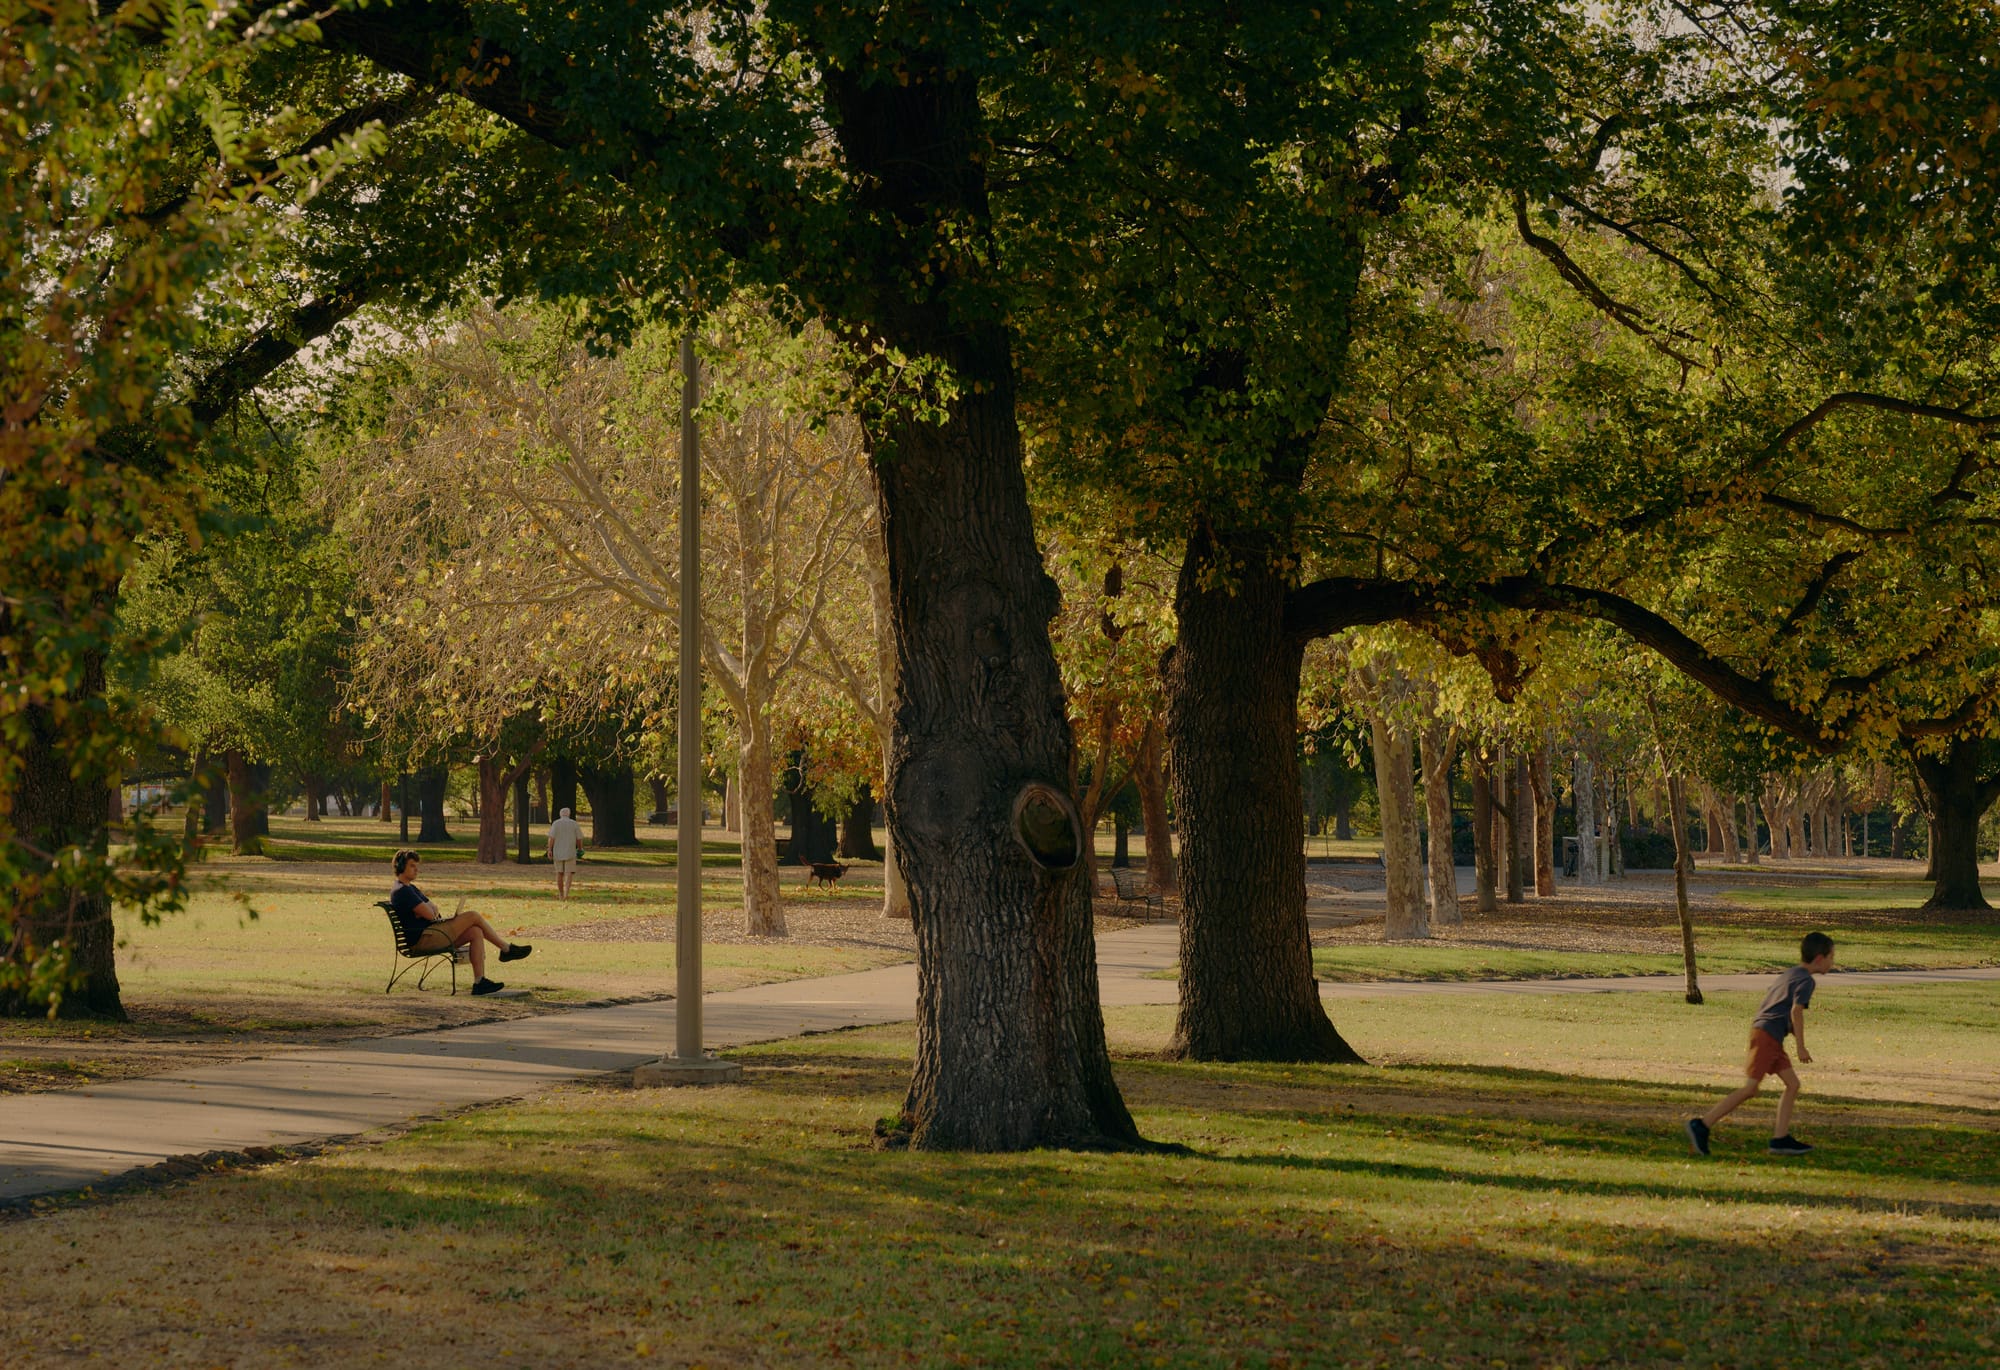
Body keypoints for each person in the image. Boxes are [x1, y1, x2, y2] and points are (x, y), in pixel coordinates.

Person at [1686, 931, 1835, 1158]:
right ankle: (1702, 1125)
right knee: (1750, 1088)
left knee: (1793, 1084)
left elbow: (1778, 1007)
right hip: (1767, 1035)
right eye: (1831, 957)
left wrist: (1790, 1035)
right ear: (1818, 958)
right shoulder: (1806, 981)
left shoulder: (1791, 974)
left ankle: (1780, 1139)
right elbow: (1796, 1012)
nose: (1833, 961)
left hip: (1769, 1034)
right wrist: (1801, 1047)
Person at [389, 849, 531, 995]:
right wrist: (429, 911)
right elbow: (431, 915)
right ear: (401, 866)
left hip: (433, 934)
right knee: (473, 916)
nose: (416, 869)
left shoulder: (410, 888)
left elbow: (433, 909)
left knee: (476, 931)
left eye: (416, 865)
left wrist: (428, 911)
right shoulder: (402, 891)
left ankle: (479, 982)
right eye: (412, 865)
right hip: (424, 939)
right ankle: (506, 948)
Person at [545, 805, 583, 900]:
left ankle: (561, 893)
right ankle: (566, 893)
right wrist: (580, 848)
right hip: (570, 851)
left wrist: (549, 849)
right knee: (569, 872)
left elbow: (551, 838)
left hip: (557, 852)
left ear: (560, 814)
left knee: (559, 873)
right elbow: (579, 838)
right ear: (569, 814)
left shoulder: (556, 823)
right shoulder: (574, 824)